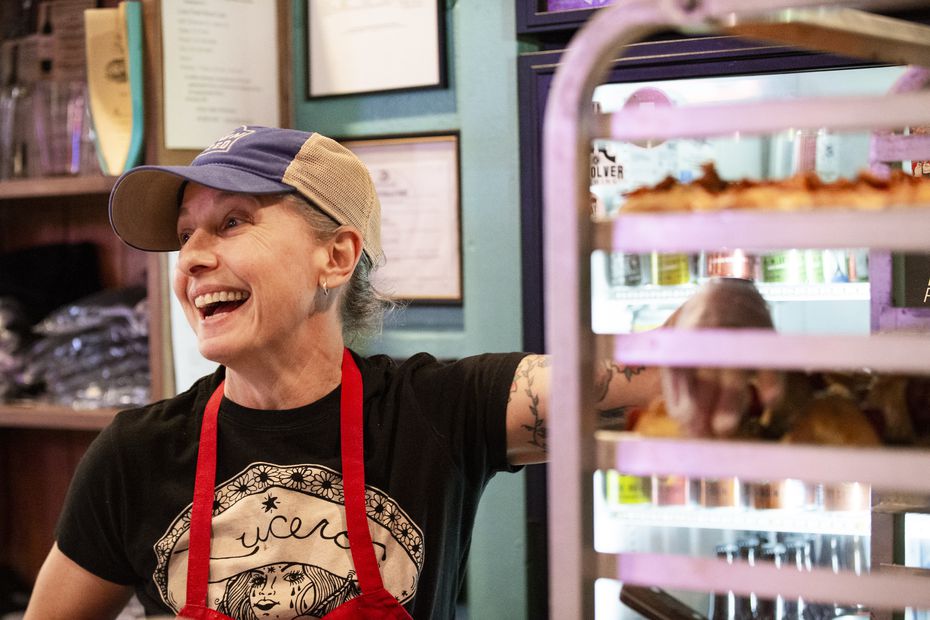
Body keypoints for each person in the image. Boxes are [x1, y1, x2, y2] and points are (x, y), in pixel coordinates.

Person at [23, 126, 767, 620]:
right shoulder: (135, 452)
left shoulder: (439, 409)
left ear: (336, 257)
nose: (190, 259)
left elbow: (661, 369)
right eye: (185, 235)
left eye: (233, 222)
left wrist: (729, 306)